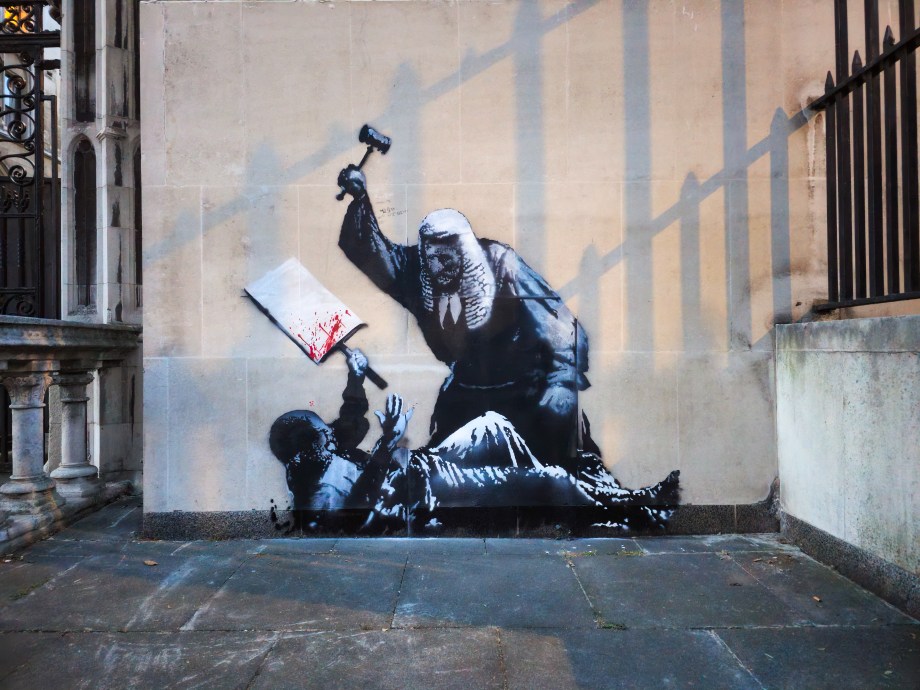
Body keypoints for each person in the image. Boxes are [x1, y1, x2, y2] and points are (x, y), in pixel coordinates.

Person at [337, 166, 589, 470]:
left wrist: (561, 382)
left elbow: (559, 326)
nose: (436, 268)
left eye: (445, 259)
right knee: (443, 471)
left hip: (524, 392)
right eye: (431, 258)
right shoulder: (417, 271)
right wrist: (360, 197)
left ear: (465, 252)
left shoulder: (502, 266)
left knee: (543, 470)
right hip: (466, 393)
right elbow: (371, 253)